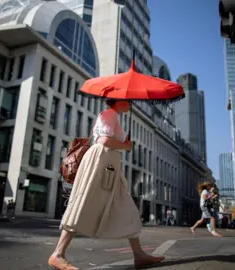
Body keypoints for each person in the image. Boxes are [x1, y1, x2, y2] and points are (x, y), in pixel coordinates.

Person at [48, 99, 165, 270]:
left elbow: (110, 141)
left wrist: (125, 144)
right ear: (118, 100)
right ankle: (58, 254)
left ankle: (139, 255)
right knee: (83, 203)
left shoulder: (113, 116)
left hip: (109, 166)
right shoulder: (109, 114)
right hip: (101, 164)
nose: (130, 103)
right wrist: (125, 146)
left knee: (127, 208)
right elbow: (104, 142)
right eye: (128, 100)